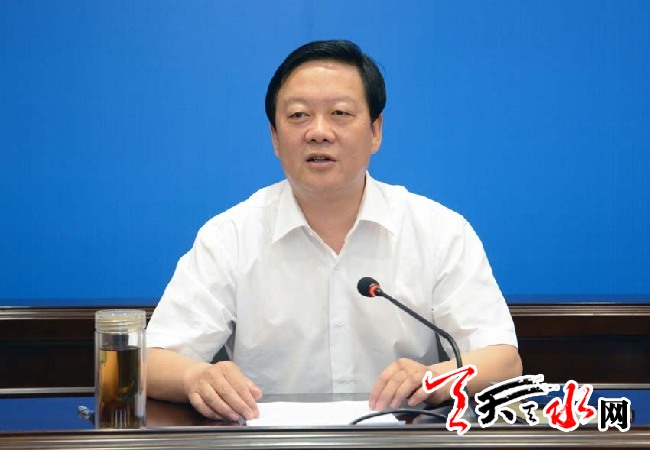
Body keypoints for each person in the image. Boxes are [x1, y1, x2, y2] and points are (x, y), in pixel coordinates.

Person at [146, 39, 522, 423]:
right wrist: (196, 377)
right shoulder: (230, 236)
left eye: (340, 113)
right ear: (274, 136)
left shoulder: (439, 231)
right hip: (270, 445)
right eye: (298, 116)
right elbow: (151, 361)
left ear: (375, 131)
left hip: (400, 443)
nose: (318, 132)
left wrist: (434, 378)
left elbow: (503, 361)